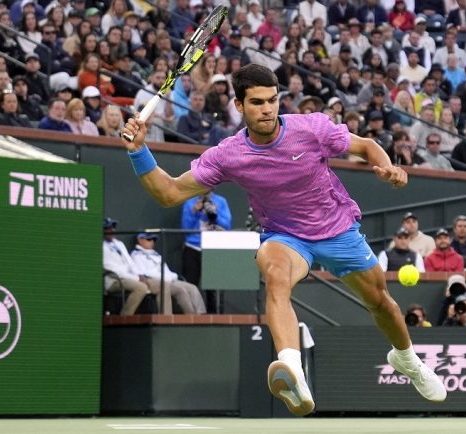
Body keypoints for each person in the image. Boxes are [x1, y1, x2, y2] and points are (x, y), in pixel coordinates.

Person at [119, 64, 446, 416]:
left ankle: (407, 360)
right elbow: (169, 193)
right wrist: (139, 151)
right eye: (257, 102)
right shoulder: (229, 154)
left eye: (273, 100)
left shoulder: (311, 128)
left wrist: (390, 167)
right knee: (275, 276)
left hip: (337, 229)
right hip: (285, 236)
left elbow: (365, 145)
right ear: (239, 106)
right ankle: (292, 367)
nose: (268, 109)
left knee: (382, 303)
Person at [103, 218, 169, 315]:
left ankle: (166, 318)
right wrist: (137, 278)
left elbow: (131, 263)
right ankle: (125, 317)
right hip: (114, 281)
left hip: (131, 277)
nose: (112, 230)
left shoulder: (119, 244)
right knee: (141, 287)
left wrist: (140, 276)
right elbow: (116, 271)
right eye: (108, 228)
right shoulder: (101, 246)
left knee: (163, 285)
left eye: (113, 227)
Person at [130, 233, 207, 314]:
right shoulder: (136, 255)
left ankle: (201, 314)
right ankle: (192, 316)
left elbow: (166, 270)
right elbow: (144, 273)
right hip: (157, 282)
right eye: (149, 239)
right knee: (181, 291)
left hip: (169, 279)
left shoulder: (156, 255)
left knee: (192, 288)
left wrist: (172, 276)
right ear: (140, 240)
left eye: (154, 240)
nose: (152, 242)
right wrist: (166, 277)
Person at [180, 192, 232, 288]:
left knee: (213, 288)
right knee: (190, 285)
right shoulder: (190, 202)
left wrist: (215, 215)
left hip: (213, 249)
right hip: (193, 247)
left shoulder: (221, 201)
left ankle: (213, 304)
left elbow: (227, 226)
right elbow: (185, 229)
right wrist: (194, 212)